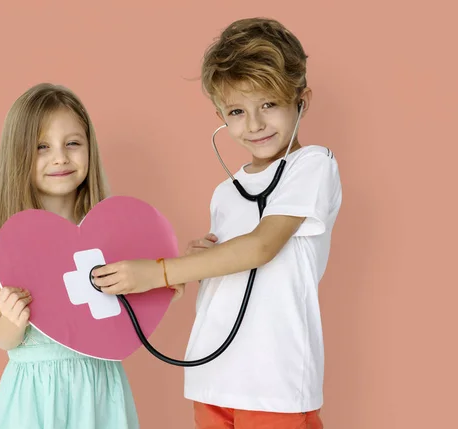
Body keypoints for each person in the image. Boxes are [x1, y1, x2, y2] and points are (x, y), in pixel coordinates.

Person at [92, 18, 342, 429]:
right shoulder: (227, 192)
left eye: (269, 104)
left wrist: (159, 272)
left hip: (274, 382)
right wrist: (200, 262)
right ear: (219, 115)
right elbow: (232, 268)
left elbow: (261, 247)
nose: (255, 124)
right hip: (212, 378)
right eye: (237, 112)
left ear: (302, 100)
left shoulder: (313, 165)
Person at [0, 82, 156, 429]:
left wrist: (164, 280)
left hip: (100, 386)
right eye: (42, 147)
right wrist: (13, 318)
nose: (60, 157)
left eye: (73, 143)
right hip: (36, 395)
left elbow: (134, 309)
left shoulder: (112, 233)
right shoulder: (12, 240)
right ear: (19, 155)